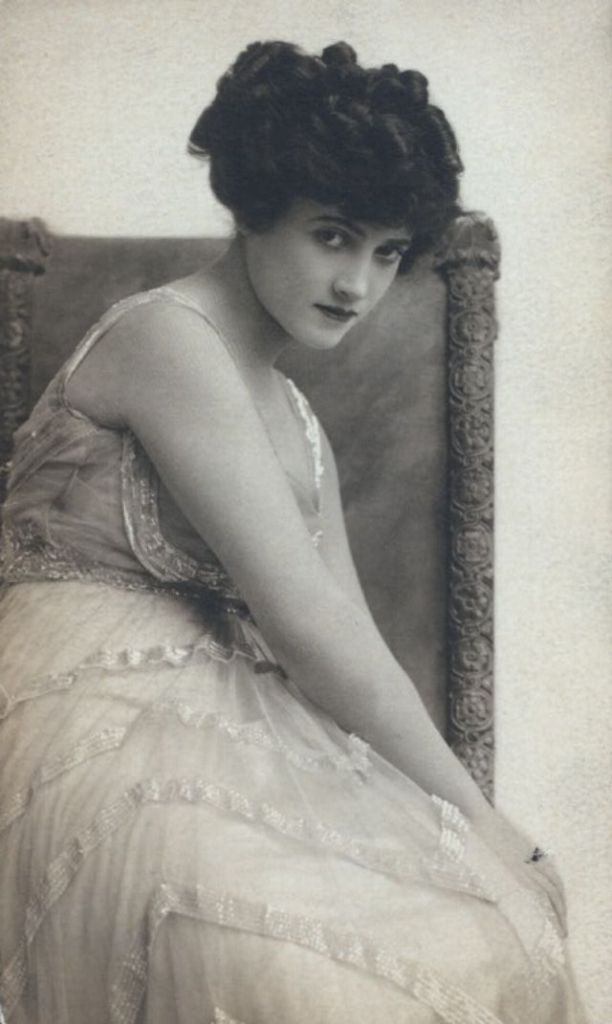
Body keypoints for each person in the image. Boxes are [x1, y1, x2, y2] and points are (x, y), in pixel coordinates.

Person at [0, 40, 586, 1024]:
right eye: (333, 237)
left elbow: (350, 634)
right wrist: (483, 817)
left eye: (388, 253)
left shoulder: (297, 421)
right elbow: (306, 625)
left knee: (486, 931)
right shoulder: (166, 338)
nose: (359, 283)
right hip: (78, 713)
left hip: (219, 711)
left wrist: (479, 831)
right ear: (255, 209)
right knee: (306, 977)